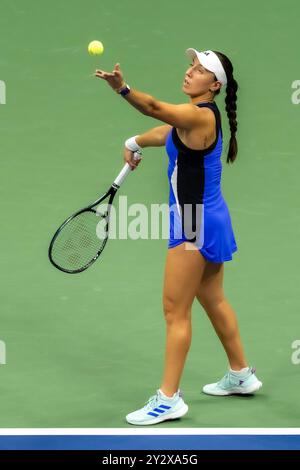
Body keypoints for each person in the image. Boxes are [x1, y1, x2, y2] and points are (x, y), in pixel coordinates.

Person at [95, 48, 262, 426]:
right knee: (212, 297)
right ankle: (241, 374)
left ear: (214, 85)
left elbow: (154, 107)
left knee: (175, 311)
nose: (190, 72)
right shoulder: (195, 119)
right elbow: (165, 131)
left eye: (200, 70)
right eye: (191, 66)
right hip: (212, 218)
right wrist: (135, 142)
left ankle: (169, 399)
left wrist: (123, 89)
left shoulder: (197, 116)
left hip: (192, 224)